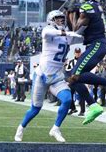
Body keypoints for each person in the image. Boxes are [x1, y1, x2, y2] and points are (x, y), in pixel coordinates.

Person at [15, 10, 83, 143]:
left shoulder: (67, 35)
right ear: (51, 20)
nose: (61, 21)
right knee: (36, 109)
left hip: (57, 76)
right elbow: (47, 33)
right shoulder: (48, 30)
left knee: (68, 100)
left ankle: (56, 128)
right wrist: (68, 33)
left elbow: (81, 37)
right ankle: (21, 128)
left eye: (62, 19)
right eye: (58, 19)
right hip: (42, 75)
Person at [67, 0, 106, 125]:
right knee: (73, 80)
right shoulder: (95, 6)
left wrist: (71, 14)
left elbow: (75, 29)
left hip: (96, 44)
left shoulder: (87, 7)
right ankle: (93, 106)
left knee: (75, 75)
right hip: (96, 44)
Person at [65, 47, 81, 115]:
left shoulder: (83, 60)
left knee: (83, 95)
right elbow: (67, 70)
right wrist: (68, 79)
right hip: (72, 81)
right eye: (76, 52)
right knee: (69, 95)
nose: (77, 54)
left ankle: (82, 111)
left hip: (81, 80)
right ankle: (73, 108)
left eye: (78, 52)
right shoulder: (71, 62)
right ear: (74, 53)